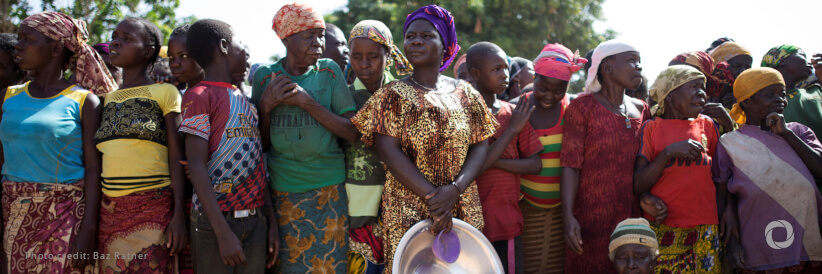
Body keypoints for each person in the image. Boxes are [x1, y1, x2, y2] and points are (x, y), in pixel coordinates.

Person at [351, 5, 498, 273]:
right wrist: (434, 197)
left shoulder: (467, 93)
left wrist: (454, 190)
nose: (416, 40)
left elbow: (481, 144)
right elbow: (388, 151)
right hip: (408, 209)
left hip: (460, 204)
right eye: (410, 36)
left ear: (445, 45)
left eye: (427, 36)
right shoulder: (392, 94)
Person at [0, 11, 116, 273]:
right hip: (12, 216)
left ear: (54, 48)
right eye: (19, 38)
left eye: (27, 39)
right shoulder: (7, 97)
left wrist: (88, 229)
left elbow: (94, 169)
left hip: (63, 216)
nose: (18, 45)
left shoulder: (84, 101)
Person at [253, 2, 357, 272]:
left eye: (320, 35)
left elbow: (351, 131)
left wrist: (307, 103)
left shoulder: (329, 71)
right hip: (283, 193)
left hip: (329, 191)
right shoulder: (266, 77)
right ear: (287, 39)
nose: (318, 43)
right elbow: (259, 145)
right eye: (308, 36)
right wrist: (265, 109)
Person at [179, 19, 278, 273]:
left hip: (255, 220)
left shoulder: (244, 100)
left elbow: (257, 164)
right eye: (239, 42)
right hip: (216, 222)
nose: (245, 48)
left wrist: (271, 223)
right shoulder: (199, 96)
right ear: (223, 46)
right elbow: (196, 164)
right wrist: (222, 233)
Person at [95, 17, 186, 273]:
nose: (115, 42)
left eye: (126, 38)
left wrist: (178, 213)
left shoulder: (165, 92)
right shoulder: (107, 99)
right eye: (114, 36)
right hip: (110, 211)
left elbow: (175, 155)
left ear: (148, 51)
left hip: (153, 209)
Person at [715, 67, 822, 273]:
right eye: (770, 94)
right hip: (760, 242)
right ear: (746, 101)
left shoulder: (799, 131)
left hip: (806, 240)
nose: (780, 99)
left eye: (782, 94)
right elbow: (722, 197)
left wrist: (787, 133)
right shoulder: (730, 143)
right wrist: (732, 244)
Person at [561, 39, 650, 273]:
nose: (638, 66)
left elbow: (646, 162)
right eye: (631, 60)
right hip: (590, 219)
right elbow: (570, 165)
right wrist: (568, 216)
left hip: (632, 219)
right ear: (607, 67)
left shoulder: (642, 109)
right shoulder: (583, 107)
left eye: (639, 61)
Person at [634, 65, 723, 273]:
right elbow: (638, 183)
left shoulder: (708, 126)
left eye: (703, 88)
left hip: (706, 228)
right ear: (670, 95)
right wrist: (668, 153)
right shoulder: (651, 128)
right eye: (694, 87)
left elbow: (721, 177)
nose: (702, 93)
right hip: (664, 228)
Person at [467, 41, 542, 274]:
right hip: (472, 226)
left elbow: (535, 164)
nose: (504, 75)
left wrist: (492, 162)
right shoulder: (463, 113)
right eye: (496, 69)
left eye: (506, 68)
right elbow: (472, 168)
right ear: (476, 75)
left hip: (507, 223)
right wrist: (511, 132)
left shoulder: (513, 113)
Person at [344, 19, 411, 274]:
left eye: (373, 56)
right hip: (357, 208)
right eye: (356, 56)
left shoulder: (404, 94)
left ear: (389, 55)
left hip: (400, 208)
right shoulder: (344, 97)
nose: (364, 63)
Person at [512, 43, 586, 274]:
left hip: (563, 210)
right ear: (534, 77)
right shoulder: (517, 108)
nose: (549, 96)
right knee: (528, 265)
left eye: (558, 90)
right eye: (543, 87)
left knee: (557, 265)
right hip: (525, 208)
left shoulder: (572, 109)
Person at [761, 45, 822, 137]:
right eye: (803, 56)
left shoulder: (816, 91)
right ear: (782, 61)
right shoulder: (762, 101)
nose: (809, 62)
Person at [708, 41, 752, 109]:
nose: (743, 71)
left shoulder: (752, 99)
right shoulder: (700, 96)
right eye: (737, 66)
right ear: (718, 66)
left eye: (747, 67)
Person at [168, 24, 204, 92]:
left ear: (204, 55)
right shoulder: (176, 93)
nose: (174, 64)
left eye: (184, 56)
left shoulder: (219, 97)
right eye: (171, 56)